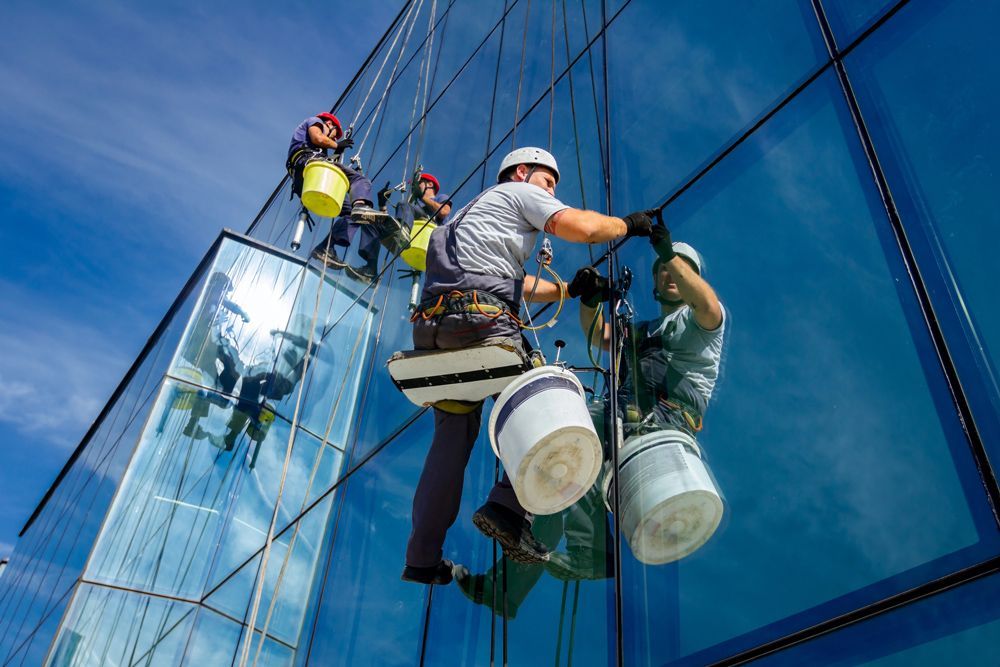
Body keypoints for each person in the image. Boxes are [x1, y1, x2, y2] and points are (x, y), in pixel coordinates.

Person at [401, 146, 657, 585]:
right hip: (481, 322)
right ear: (522, 172)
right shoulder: (520, 193)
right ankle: (507, 507)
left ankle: (422, 558)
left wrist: (570, 290)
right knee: (544, 398)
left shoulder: (462, 220)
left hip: (435, 331)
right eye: (548, 181)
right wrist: (628, 225)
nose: (551, 190)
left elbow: (515, 284)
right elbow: (580, 226)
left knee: (451, 442)